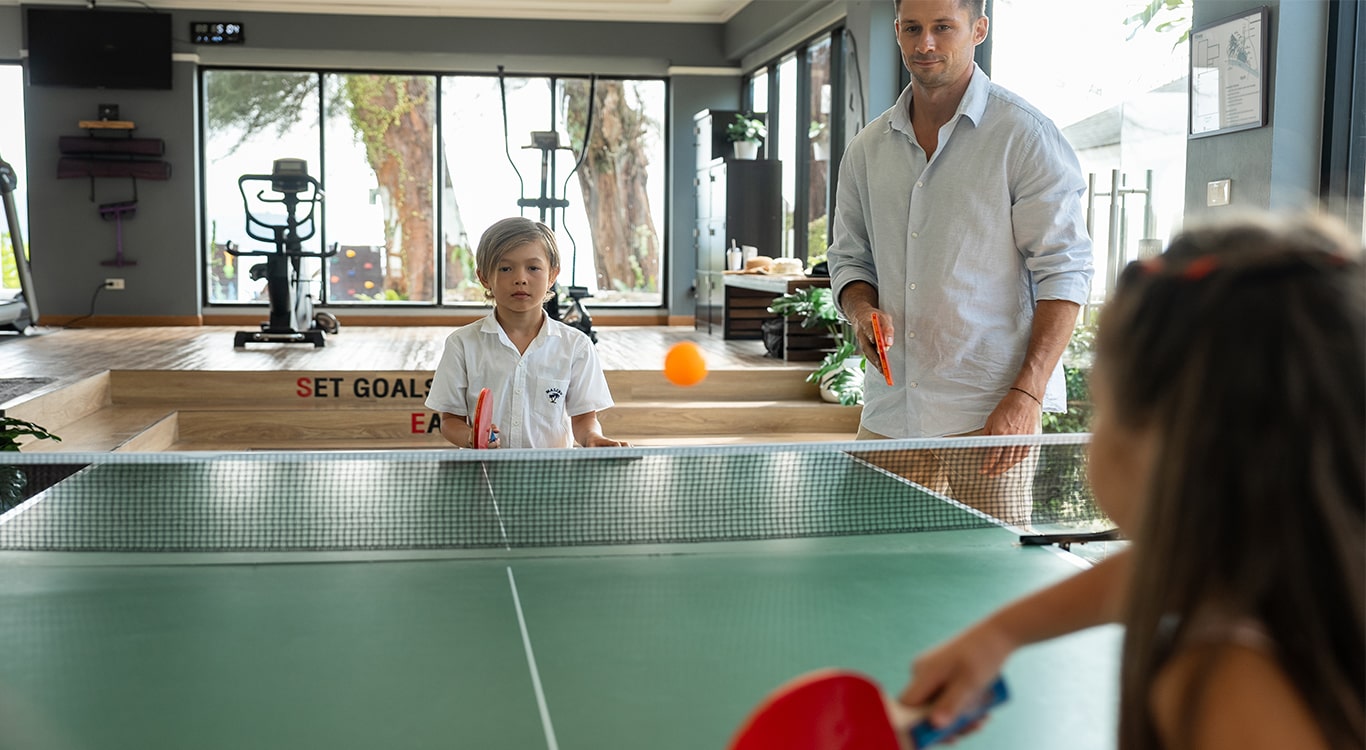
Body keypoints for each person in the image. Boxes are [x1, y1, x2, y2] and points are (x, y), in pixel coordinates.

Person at [897, 213, 1365, 749]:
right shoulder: (1298, 569)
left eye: (1103, 409)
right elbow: (1164, 570)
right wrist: (1000, 634)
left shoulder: (1228, 690)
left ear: (1166, 447)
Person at [826, 0, 1094, 523]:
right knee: (864, 572)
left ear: (978, 30)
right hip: (891, 413)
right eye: (913, 29)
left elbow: (1066, 273)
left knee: (993, 582)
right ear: (898, 32)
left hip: (991, 413)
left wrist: (1026, 395)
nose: (925, 44)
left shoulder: (1025, 136)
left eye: (942, 28)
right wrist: (862, 313)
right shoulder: (865, 150)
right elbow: (850, 259)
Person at [425, 217, 627, 449]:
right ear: (484, 278)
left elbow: (584, 418)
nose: (520, 279)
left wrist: (593, 438)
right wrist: (472, 437)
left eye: (533, 268)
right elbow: (450, 420)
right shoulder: (461, 344)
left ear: (552, 275)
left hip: (552, 475)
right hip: (485, 473)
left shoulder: (577, 346)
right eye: (505, 268)